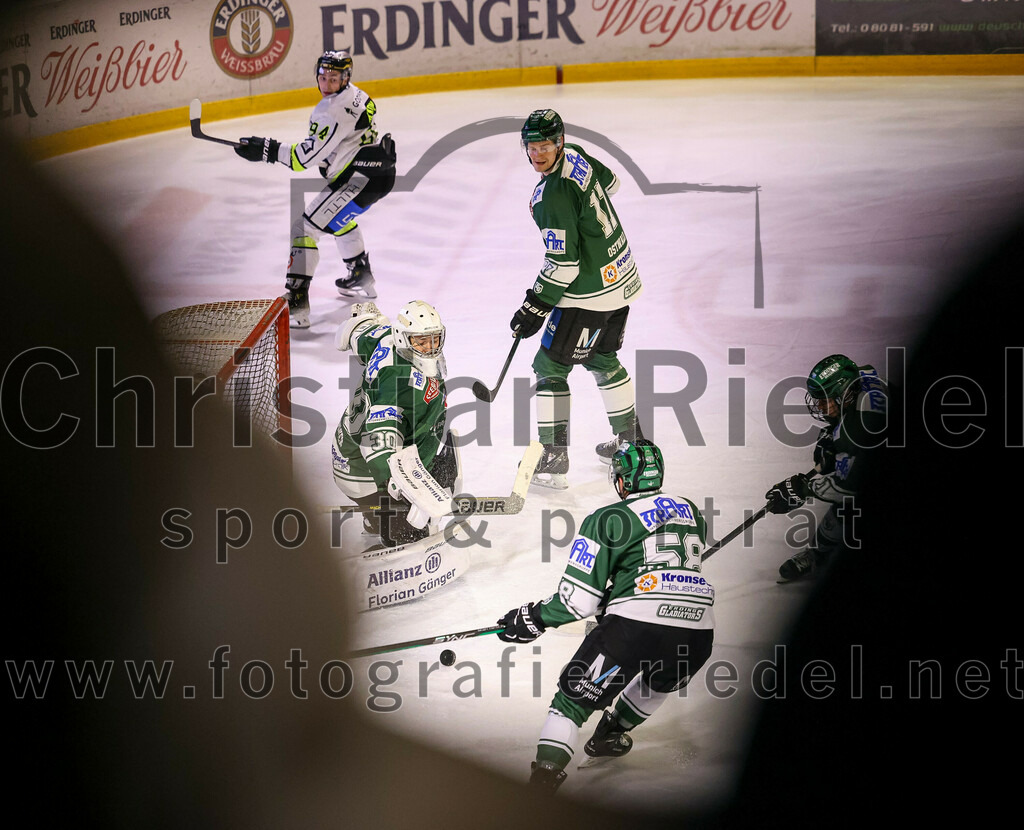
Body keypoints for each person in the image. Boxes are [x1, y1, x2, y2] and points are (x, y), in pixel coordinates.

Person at [496, 440, 715, 793]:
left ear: (624, 480)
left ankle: (544, 779)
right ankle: (611, 735)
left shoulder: (609, 518)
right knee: (657, 681)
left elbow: (577, 603)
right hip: (697, 632)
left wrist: (533, 618)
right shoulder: (692, 511)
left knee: (570, 704)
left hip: (634, 628)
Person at [510, 109, 646, 489]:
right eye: (532, 147)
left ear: (559, 142)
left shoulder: (551, 194)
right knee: (603, 357)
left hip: (589, 293)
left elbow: (564, 264)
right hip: (621, 276)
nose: (538, 154)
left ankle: (553, 458)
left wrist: (534, 304)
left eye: (545, 146)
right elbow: (613, 184)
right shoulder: (579, 155)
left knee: (550, 366)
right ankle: (629, 442)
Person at [233, 49, 396, 328]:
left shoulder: (332, 110)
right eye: (323, 78)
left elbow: (302, 159)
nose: (327, 84)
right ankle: (360, 275)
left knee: (304, 229)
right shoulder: (357, 94)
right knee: (334, 219)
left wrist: (266, 150)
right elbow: (336, 144)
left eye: (334, 79)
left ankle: (296, 303)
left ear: (346, 77)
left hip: (356, 180)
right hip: (379, 174)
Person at [332, 299, 460, 548]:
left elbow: (356, 332)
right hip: (360, 468)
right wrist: (397, 485)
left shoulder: (385, 336)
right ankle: (379, 520)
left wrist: (364, 315)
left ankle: (377, 516)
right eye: (421, 341)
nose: (430, 347)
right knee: (408, 531)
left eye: (434, 339)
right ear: (404, 339)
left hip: (374, 446)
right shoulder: (396, 383)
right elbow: (376, 441)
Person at [764, 353, 888, 582]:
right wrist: (834, 440)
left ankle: (818, 554)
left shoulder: (862, 428)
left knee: (849, 506)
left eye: (825, 399)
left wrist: (803, 490)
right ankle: (818, 553)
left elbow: (848, 487)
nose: (819, 406)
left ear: (845, 394)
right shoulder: (860, 382)